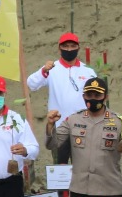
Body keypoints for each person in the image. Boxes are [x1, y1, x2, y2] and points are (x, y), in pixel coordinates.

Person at [27, 32, 94, 165]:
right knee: (60, 171)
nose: (69, 49)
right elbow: (31, 84)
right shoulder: (52, 69)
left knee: (82, 168)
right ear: (59, 48)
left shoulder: (88, 71)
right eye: (65, 46)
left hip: (83, 129)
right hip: (59, 129)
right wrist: (43, 71)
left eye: (72, 46)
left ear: (78, 48)